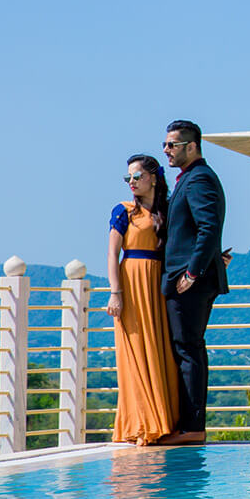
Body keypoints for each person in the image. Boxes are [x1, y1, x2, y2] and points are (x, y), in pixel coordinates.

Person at [161, 119, 228, 444]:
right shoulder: (188, 179)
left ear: (192, 146)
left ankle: (192, 428)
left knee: (189, 349)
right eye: (165, 144)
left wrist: (193, 272)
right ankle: (187, 425)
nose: (166, 150)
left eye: (172, 144)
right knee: (185, 349)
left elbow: (208, 227)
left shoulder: (199, 178)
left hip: (188, 281)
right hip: (184, 277)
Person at [106, 154, 180, 445]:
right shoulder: (124, 211)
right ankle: (139, 423)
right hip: (132, 284)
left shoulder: (167, 211)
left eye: (137, 176)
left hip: (159, 283)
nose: (132, 183)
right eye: (128, 178)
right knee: (135, 351)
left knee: (161, 350)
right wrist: (115, 292)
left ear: (153, 177)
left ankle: (163, 421)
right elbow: (113, 253)